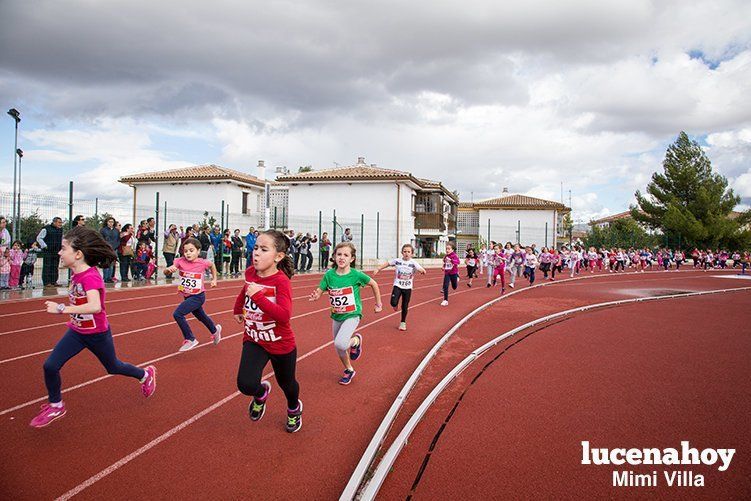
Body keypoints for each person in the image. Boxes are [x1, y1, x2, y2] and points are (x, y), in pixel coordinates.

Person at [29, 226, 156, 428]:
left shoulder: (90, 276)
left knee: (113, 367)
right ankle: (56, 404)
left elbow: (96, 306)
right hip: (77, 332)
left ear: (78, 254)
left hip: (97, 334)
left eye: (63, 249)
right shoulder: (75, 274)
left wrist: (62, 308)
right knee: (50, 365)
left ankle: (144, 374)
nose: (59, 252)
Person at [233, 230, 302, 432]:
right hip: (254, 338)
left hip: (279, 343)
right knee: (245, 385)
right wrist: (238, 308)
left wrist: (258, 297)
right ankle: (261, 392)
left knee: (287, 384)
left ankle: (293, 408)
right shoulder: (251, 273)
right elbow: (245, 290)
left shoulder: (281, 282)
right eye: (255, 248)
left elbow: (283, 316)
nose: (256, 254)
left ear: (278, 257)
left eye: (264, 250)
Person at [309, 242, 382, 385]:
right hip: (337, 315)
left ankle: (356, 341)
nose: (342, 258)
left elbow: (374, 284)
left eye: (346, 255)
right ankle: (349, 369)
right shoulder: (329, 275)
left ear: (352, 259)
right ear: (334, 256)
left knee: (341, 343)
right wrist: (316, 295)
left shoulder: (356, 275)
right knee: (339, 347)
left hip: (353, 314)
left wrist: (378, 303)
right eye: (339, 254)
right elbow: (320, 290)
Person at [163, 237, 222, 352]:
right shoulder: (179, 261)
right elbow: (165, 272)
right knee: (201, 316)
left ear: (198, 251)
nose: (188, 253)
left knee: (178, 314)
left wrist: (214, 279)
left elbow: (212, 266)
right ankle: (215, 331)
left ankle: (190, 339)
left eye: (191, 250)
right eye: (185, 251)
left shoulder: (202, 262)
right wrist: (169, 270)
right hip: (187, 296)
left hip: (198, 296)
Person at [373, 244, 426, 331]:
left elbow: (421, 269)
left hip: (408, 288)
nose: (406, 253)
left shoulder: (413, 263)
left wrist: (422, 271)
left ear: (412, 254)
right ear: (402, 252)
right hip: (398, 285)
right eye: (405, 251)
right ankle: (395, 304)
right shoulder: (397, 261)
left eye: (409, 252)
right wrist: (378, 269)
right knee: (393, 302)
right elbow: (388, 264)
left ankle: (403, 322)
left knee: (405, 306)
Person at [36, 217, 64, 287]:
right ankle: (46, 282)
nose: (60, 224)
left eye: (61, 222)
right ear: (54, 222)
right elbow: (39, 238)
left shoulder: (60, 230)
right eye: (59, 222)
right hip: (48, 251)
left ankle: (54, 281)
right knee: (47, 266)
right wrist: (44, 246)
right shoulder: (46, 229)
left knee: (55, 266)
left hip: (57, 250)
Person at [100, 217, 120, 283]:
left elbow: (118, 240)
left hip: (114, 249)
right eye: (109, 222)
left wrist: (115, 247)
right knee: (106, 263)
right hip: (106, 249)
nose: (111, 223)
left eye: (112, 222)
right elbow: (101, 239)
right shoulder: (103, 230)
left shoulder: (116, 231)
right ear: (106, 222)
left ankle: (110, 277)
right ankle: (105, 278)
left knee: (111, 264)